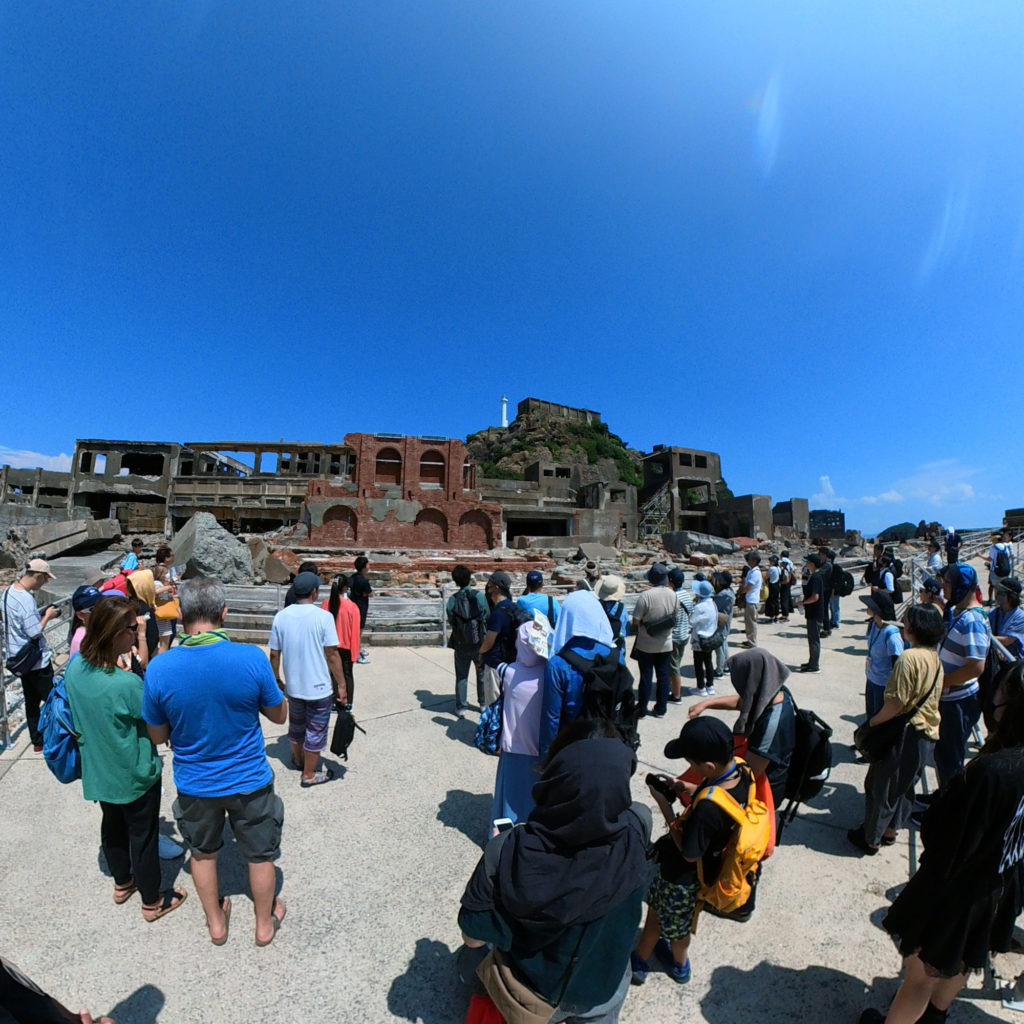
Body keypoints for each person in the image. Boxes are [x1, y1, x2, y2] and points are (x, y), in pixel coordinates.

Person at [459, 733, 649, 1024]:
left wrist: (506, 848)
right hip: (603, 988)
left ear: (551, 783)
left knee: (466, 959)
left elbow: (473, 939)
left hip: (534, 997)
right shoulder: (639, 824)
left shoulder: (507, 850)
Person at [142, 578, 288, 947]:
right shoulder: (251, 657)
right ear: (224, 613)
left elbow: (157, 736)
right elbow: (279, 715)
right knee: (260, 856)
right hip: (249, 778)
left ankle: (217, 924)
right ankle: (264, 925)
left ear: (181, 614)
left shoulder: (159, 668)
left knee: (203, 854)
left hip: (195, 782)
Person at [858, 713, 1024, 1023]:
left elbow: (943, 834)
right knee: (964, 959)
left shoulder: (994, 770)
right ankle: (934, 1017)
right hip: (1005, 881)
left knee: (921, 976)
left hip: (957, 887)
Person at [63, 595, 186, 922]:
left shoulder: (75, 668)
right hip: (134, 774)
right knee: (142, 837)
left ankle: (122, 883)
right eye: (133, 628)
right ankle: (152, 902)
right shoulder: (126, 684)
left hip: (98, 771)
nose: (137, 631)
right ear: (116, 634)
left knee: (112, 826)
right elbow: (157, 728)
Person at [632, 716, 752, 986]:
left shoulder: (708, 811)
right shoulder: (740, 771)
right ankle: (671, 962)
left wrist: (665, 807)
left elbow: (689, 853)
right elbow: (720, 795)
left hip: (681, 877)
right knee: (675, 922)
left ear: (708, 766)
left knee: (663, 923)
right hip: (706, 868)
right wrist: (686, 787)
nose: (690, 768)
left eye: (691, 764)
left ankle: (654, 963)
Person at [848, 604, 943, 857]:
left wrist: (872, 724)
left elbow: (896, 704)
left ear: (916, 627)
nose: (904, 624)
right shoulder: (934, 656)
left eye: (907, 620)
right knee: (904, 787)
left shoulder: (909, 658)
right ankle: (890, 830)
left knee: (881, 787)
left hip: (906, 734)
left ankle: (871, 839)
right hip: (927, 733)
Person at [687, 648, 796, 808]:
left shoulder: (771, 724)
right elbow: (745, 701)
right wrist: (707, 703)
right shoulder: (776, 690)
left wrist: (699, 790)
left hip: (763, 793)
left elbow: (748, 774)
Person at [268, 571, 347, 787]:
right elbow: (332, 654)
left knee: (296, 726)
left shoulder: (281, 616)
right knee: (316, 731)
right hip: (319, 688)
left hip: (294, 687)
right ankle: (309, 774)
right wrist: (341, 685)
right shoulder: (324, 617)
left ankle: (298, 760)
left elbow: (274, 653)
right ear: (314, 592)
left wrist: (276, 679)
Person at [934, 564, 990, 788]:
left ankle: (949, 803)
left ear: (962, 586)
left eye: (948, 583)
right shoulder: (961, 613)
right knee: (943, 754)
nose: (943, 587)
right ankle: (942, 797)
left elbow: (975, 667)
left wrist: (942, 682)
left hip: (958, 702)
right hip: (950, 698)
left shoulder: (973, 621)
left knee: (950, 759)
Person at [539, 589, 615, 755]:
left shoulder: (558, 664)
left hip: (573, 745)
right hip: (608, 742)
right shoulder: (615, 655)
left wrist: (547, 757)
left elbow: (551, 718)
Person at [490, 618, 549, 827]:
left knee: (509, 795)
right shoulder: (551, 673)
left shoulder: (509, 672)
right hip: (539, 747)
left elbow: (492, 658)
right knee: (535, 797)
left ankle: (504, 834)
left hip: (513, 746)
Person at [2, 558, 60, 751]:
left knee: (31, 702)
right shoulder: (26, 599)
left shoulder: (8, 592)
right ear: (38, 576)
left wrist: (38, 615)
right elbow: (34, 632)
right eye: (45, 578)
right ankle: (59, 736)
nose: (46, 582)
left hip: (19, 658)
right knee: (53, 699)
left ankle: (37, 741)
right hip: (36, 660)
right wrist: (48, 616)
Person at [631, 564, 677, 718]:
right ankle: (661, 708)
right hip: (666, 643)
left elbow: (636, 621)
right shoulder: (673, 595)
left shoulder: (646, 596)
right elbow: (675, 617)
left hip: (646, 643)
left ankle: (642, 708)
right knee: (663, 676)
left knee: (646, 676)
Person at [446, 565, 489, 717]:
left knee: (461, 676)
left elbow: (451, 619)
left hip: (461, 643)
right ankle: (483, 703)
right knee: (481, 674)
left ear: (455, 581)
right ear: (470, 578)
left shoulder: (453, 600)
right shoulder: (479, 596)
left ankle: (461, 706)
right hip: (479, 642)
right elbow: (486, 615)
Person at [475, 571, 519, 708]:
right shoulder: (511, 606)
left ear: (497, 587)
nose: (488, 586)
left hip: (495, 663)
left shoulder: (498, 613)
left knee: (493, 704)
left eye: (490, 583)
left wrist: (480, 653)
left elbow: (489, 641)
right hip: (509, 661)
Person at [860, 592, 904, 720]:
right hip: (871, 678)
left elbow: (897, 665)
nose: (867, 607)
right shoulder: (873, 624)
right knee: (870, 716)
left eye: (870, 605)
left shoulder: (891, 635)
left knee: (879, 719)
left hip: (883, 685)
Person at [322, 574, 360, 707]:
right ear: (345, 588)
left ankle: (334, 702)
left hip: (330, 646)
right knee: (347, 675)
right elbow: (355, 632)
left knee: (333, 674)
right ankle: (348, 703)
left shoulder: (325, 604)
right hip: (346, 646)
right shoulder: (352, 607)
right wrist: (355, 652)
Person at [689, 580, 719, 698]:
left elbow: (691, 622)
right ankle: (710, 686)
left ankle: (700, 688)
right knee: (708, 661)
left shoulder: (699, 607)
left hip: (699, 638)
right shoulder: (713, 603)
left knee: (698, 664)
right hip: (710, 637)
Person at [667, 568, 693, 704]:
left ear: (670, 581)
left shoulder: (672, 597)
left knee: (673, 667)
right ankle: (669, 688)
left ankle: (676, 696)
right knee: (675, 663)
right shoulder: (687, 595)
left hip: (675, 636)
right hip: (684, 634)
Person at [596, 574, 629, 664]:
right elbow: (625, 631)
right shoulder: (621, 608)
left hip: (600, 645)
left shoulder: (597, 605)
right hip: (617, 647)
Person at [151, 545, 179, 653]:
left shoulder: (159, 570)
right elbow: (155, 591)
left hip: (164, 612)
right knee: (165, 641)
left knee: (164, 639)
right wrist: (168, 587)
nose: (173, 558)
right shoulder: (161, 575)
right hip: (163, 613)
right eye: (172, 555)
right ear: (166, 558)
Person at [799, 553, 824, 673]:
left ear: (812, 564)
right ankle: (812, 661)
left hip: (815, 613)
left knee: (814, 639)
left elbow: (815, 597)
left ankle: (814, 666)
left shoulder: (815, 577)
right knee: (812, 639)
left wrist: (803, 602)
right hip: (813, 612)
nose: (806, 564)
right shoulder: (814, 576)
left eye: (808, 562)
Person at [991, 577, 1024, 660]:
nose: (997, 595)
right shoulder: (993, 613)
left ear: (1011, 597)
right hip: (996, 659)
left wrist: (984, 637)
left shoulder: (1020, 617)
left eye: (1001, 592)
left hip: (1013, 663)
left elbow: (1007, 640)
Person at [67, 585, 103, 658]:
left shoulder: (96, 630)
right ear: (80, 615)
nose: (101, 610)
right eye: (93, 609)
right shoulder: (82, 640)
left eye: (102, 604)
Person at [350, 554, 373, 664]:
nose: (369, 566)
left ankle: (358, 648)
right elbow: (371, 594)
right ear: (364, 567)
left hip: (352, 606)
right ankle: (357, 654)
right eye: (368, 564)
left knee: (355, 630)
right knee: (358, 632)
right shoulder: (364, 581)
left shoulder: (352, 577)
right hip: (361, 607)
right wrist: (365, 594)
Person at [711, 571, 735, 678]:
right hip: (725, 623)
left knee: (719, 647)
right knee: (724, 644)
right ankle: (726, 666)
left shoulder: (723, 595)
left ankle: (719, 671)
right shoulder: (729, 591)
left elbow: (713, 606)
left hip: (721, 624)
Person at [988, 528, 1015, 605]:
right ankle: (1003, 603)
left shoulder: (992, 547)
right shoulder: (1006, 546)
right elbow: (1010, 556)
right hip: (1005, 569)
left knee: (996, 588)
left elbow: (990, 559)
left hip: (995, 570)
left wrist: (979, 556)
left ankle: (997, 603)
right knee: (1004, 587)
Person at [740, 553, 762, 648]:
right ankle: (749, 639)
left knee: (751, 622)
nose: (748, 561)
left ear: (754, 561)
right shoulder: (751, 571)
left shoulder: (755, 573)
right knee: (748, 621)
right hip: (749, 599)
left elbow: (749, 586)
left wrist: (741, 592)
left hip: (752, 600)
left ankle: (752, 642)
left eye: (750, 559)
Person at [817, 547, 835, 637]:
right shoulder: (823, 564)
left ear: (824, 555)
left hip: (826, 590)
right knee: (822, 609)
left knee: (824, 610)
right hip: (823, 589)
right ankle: (825, 627)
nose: (819, 556)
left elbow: (819, 573)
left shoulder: (827, 565)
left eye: (820, 554)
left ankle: (826, 629)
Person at [778, 552, 794, 623]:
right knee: (786, 599)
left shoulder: (784, 570)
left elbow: (787, 579)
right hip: (787, 586)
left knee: (784, 600)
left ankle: (785, 616)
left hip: (785, 586)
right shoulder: (788, 569)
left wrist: (781, 583)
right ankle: (785, 614)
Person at [765, 557, 781, 623]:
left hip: (772, 585)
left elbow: (766, 577)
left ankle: (771, 617)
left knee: (771, 601)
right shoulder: (778, 568)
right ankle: (776, 617)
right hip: (777, 585)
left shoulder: (772, 568)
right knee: (776, 601)